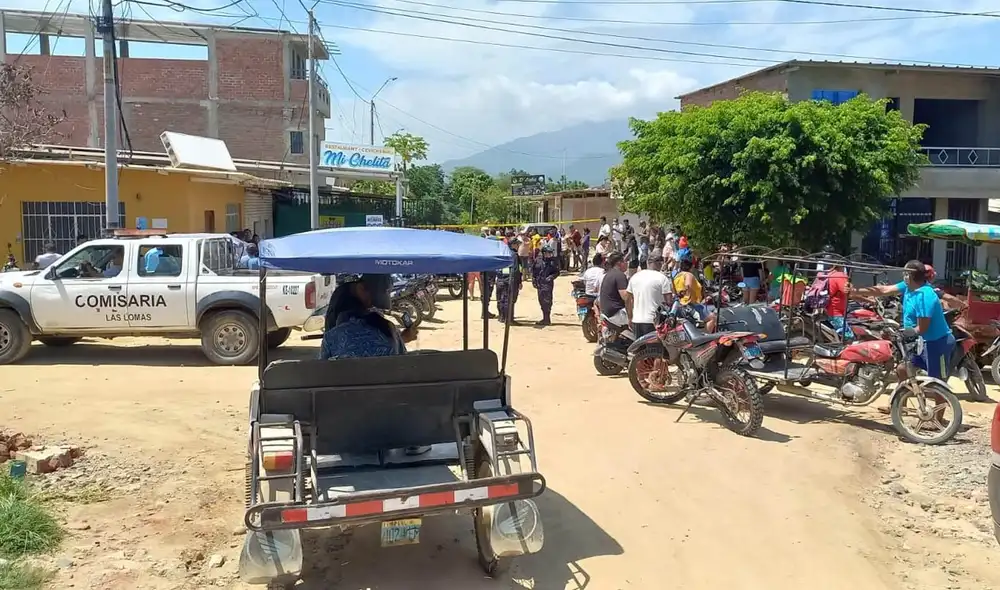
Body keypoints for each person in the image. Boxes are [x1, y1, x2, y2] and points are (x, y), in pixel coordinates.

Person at [852, 260, 954, 382]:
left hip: (937, 344)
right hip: (922, 343)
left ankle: (939, 399)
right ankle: (902, 398)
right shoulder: (907, 286)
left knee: (937, 385)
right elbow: (883, 290)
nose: (903, 276)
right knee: (903, 370)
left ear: (909, 275)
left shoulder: (925, 296)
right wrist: (855, 291)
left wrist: (901, 333)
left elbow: (922, 328)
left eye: (905, 273)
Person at [626, 257, 672, 338]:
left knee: (640, 349)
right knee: (658, 349)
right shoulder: (662, 278)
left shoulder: (635, 277)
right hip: (655, 322)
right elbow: (669, 301)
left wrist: (630, 317)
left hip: (637, 320)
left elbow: (628, 299)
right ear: (660, 264)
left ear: (648, 263)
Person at [672, 257, 716, 332]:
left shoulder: (677, 276)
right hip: (690, 304)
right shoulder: (689, 274)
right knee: (712, 318)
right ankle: (707, 338)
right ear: (692, 267)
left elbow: (673, 290)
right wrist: (688, 298)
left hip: (679, 304)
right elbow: (688, 286)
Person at [531, 232, 560, 325]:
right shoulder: (538, 261)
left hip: (547, 284)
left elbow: (557, 272)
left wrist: (551, 277)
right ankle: (544, 318)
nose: (549, 255)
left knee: (547, 301)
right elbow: (534, 271)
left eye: (550, 253)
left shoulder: (552, 262)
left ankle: (547, 318)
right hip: (540, 283)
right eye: (548, 253)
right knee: (541, 300)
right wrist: (534, 280)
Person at [821, 258, 853, 341]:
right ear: (841, 266)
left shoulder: (828, 274)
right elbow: (850, 293)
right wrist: (868, 299)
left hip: (828, 310)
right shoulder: (840, 276)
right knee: (849, 337)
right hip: (836, 313)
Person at [598, 253, 630, 327]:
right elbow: (625, 297)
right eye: (625, 261)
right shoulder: (620, 275)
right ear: (619, 263)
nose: (627, 263)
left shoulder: (608, 274)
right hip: (616, 313)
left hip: (606, 312)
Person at [495, 238, 522, 323]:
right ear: (513, 245)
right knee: (510, 300)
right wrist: (519, 281)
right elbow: (516, 270)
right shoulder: (514, 255)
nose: (518, 246)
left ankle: (502, 317)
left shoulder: (503, 253)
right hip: (510, 280)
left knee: (502, 299)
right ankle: (509, 319)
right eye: (517, 244)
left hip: (501, 279)